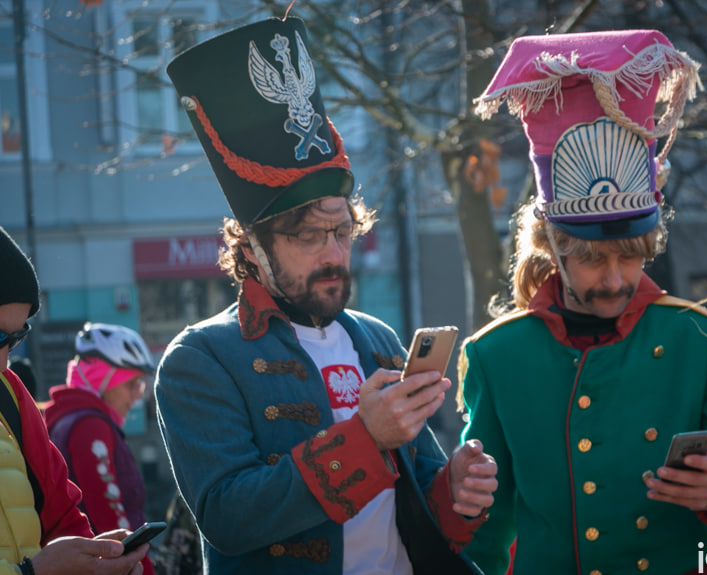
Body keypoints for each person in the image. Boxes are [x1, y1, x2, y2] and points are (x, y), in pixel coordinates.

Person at [154, 13, 498, 575]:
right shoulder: (199, 358)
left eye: (342, 231)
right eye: (307, 236)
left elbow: (414, 507)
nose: (333, 254)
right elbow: (228, 518)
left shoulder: (377, 338)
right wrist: (365, 438)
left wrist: (455, 487)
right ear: (251, 249)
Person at [456, 30, 707, 574]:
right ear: (553, 248)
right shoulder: (498, 355)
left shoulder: (699, 339)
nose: (616, 279)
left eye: (631, 256)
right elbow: (485, 530)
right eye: (594, 259)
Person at [0, 226, 148, 575]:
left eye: (16, 337)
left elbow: (63, 515)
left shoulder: (10, 392)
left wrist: (98, 562)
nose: (4, 361)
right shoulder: (90, 427)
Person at [43, 322, 157, 575]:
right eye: (133, 384)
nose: (138, 396)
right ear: (102, 381)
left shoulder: (67, 419)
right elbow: (109, 516)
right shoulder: (90, 426)